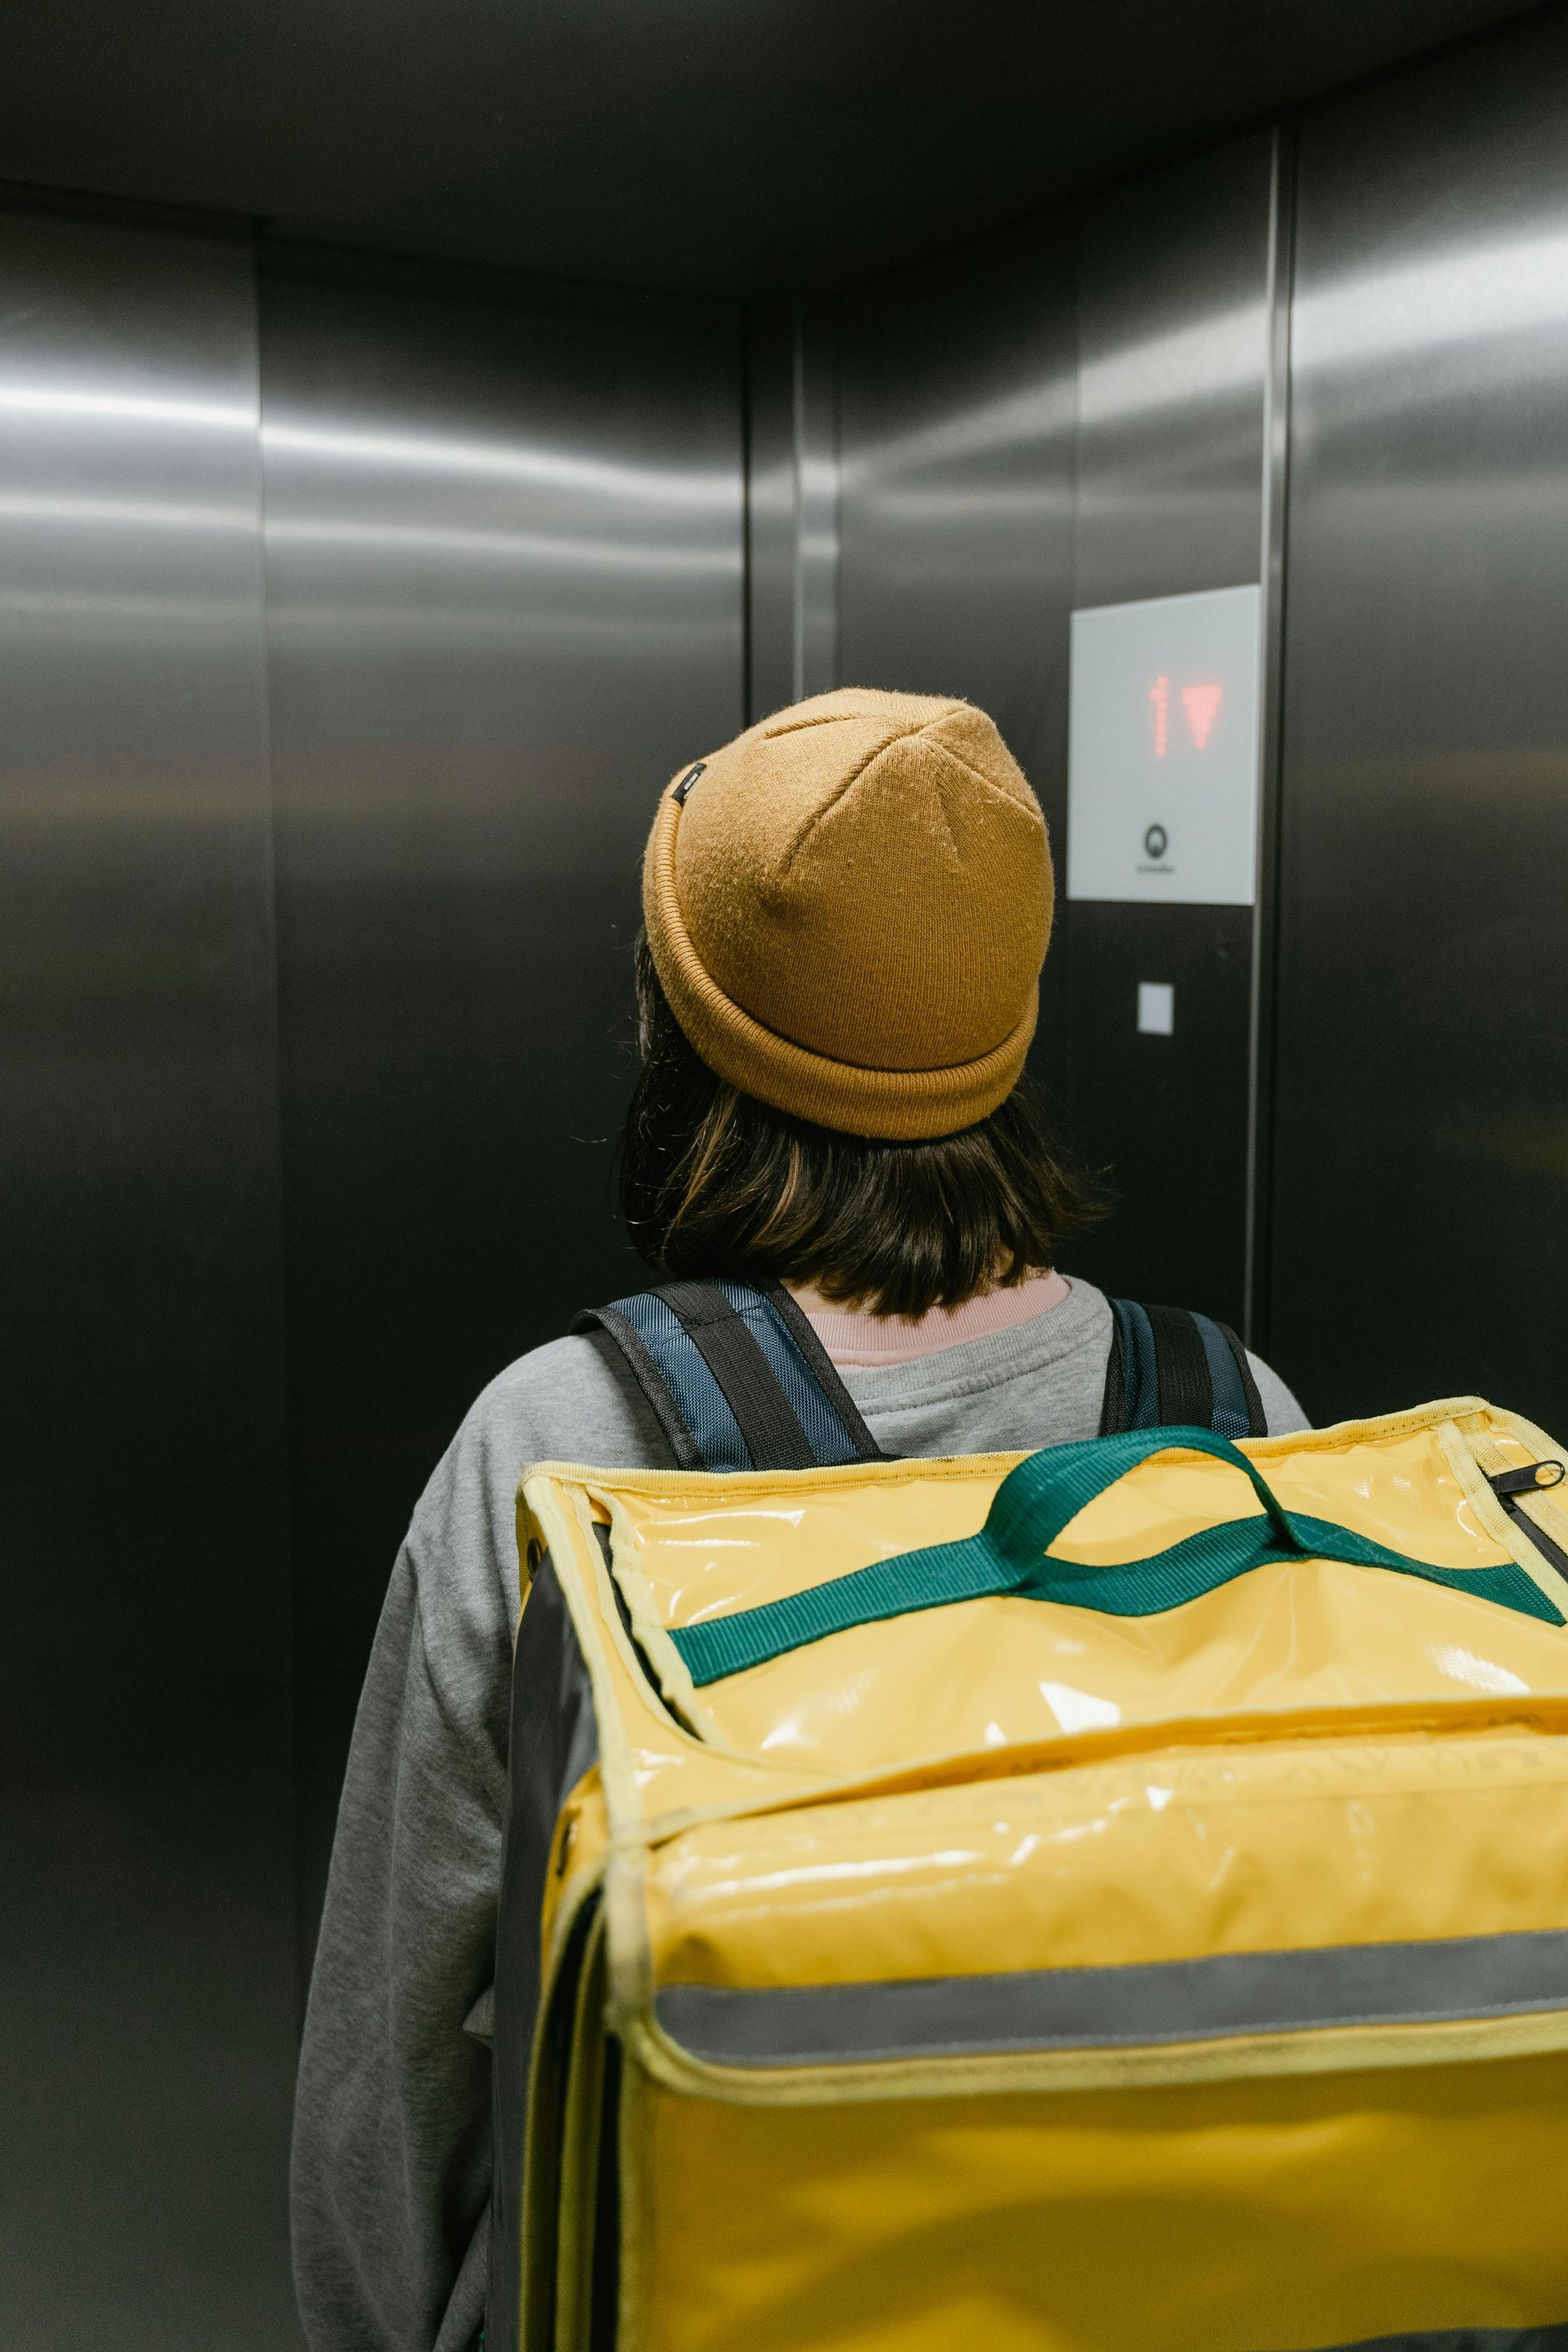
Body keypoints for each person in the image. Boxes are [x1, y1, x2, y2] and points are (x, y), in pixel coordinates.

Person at [290, 686, 1307, 2352]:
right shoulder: (1236, 1416)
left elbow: (388, 2094)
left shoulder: (560, 1452)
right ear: (1004, 1018)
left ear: (681, 1032)